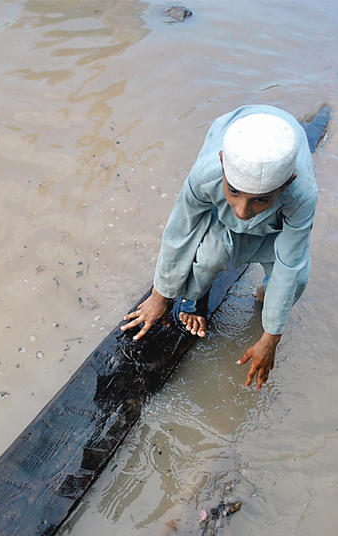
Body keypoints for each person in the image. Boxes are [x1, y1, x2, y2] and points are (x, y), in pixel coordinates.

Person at [121, 105, 318, 390]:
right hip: (223, 216)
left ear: (288, 183)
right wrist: (160, 296)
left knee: (295, 282)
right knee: (209, 255)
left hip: (276, 228)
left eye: (260, 199)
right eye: (234, 192)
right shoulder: (207, 175)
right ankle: (193, 300)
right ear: (223, 162)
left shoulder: (302, 196)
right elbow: (181, 231)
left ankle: (263, 296)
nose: (241, 211)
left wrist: (271, 336)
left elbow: (291, 261)